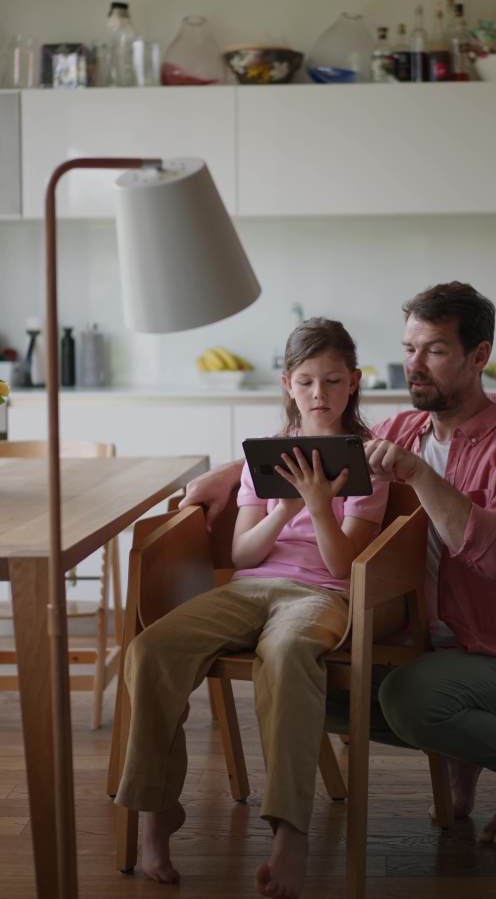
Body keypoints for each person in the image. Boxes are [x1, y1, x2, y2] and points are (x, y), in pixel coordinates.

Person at [182, 282, 496, 849]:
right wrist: (226, 474)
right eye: (408, 348)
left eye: (435, 350)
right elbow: (306, 444)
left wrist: (421, 476)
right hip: (426, 644)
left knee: (412, 699)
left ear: (479, 356)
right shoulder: (399, 432)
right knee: (308, 690)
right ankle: (462, 745)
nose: (414, 366)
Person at [115, 318, 389, 898]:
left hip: (323, 595)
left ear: (354, 382)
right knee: (150, 647)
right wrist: (286, 509)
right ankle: (156, 810)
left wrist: (320, 507)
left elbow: (344, 566)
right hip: (250, 588)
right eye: (308, 381)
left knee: (288, 654)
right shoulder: (264, 461)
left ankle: (290, 832)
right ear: (289, 383)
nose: (321, 395)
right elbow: (242, 552)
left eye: (334, 381)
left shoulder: (365, 466)